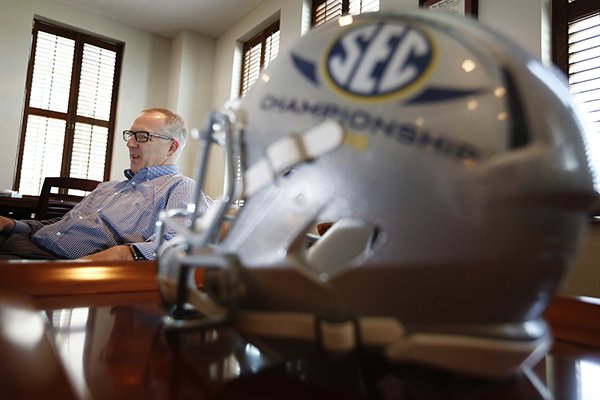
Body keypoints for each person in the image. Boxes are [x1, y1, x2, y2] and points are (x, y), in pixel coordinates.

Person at [0, 108, 211, 261]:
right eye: (130, 135)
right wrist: (13, 225)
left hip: (59, 265)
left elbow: (181, 243)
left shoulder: (180, 187)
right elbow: (60, 225)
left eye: (142, 136)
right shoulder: (108, 187)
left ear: (171, 147)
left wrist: (124, 253)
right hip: (23, 242)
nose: (130, 143)